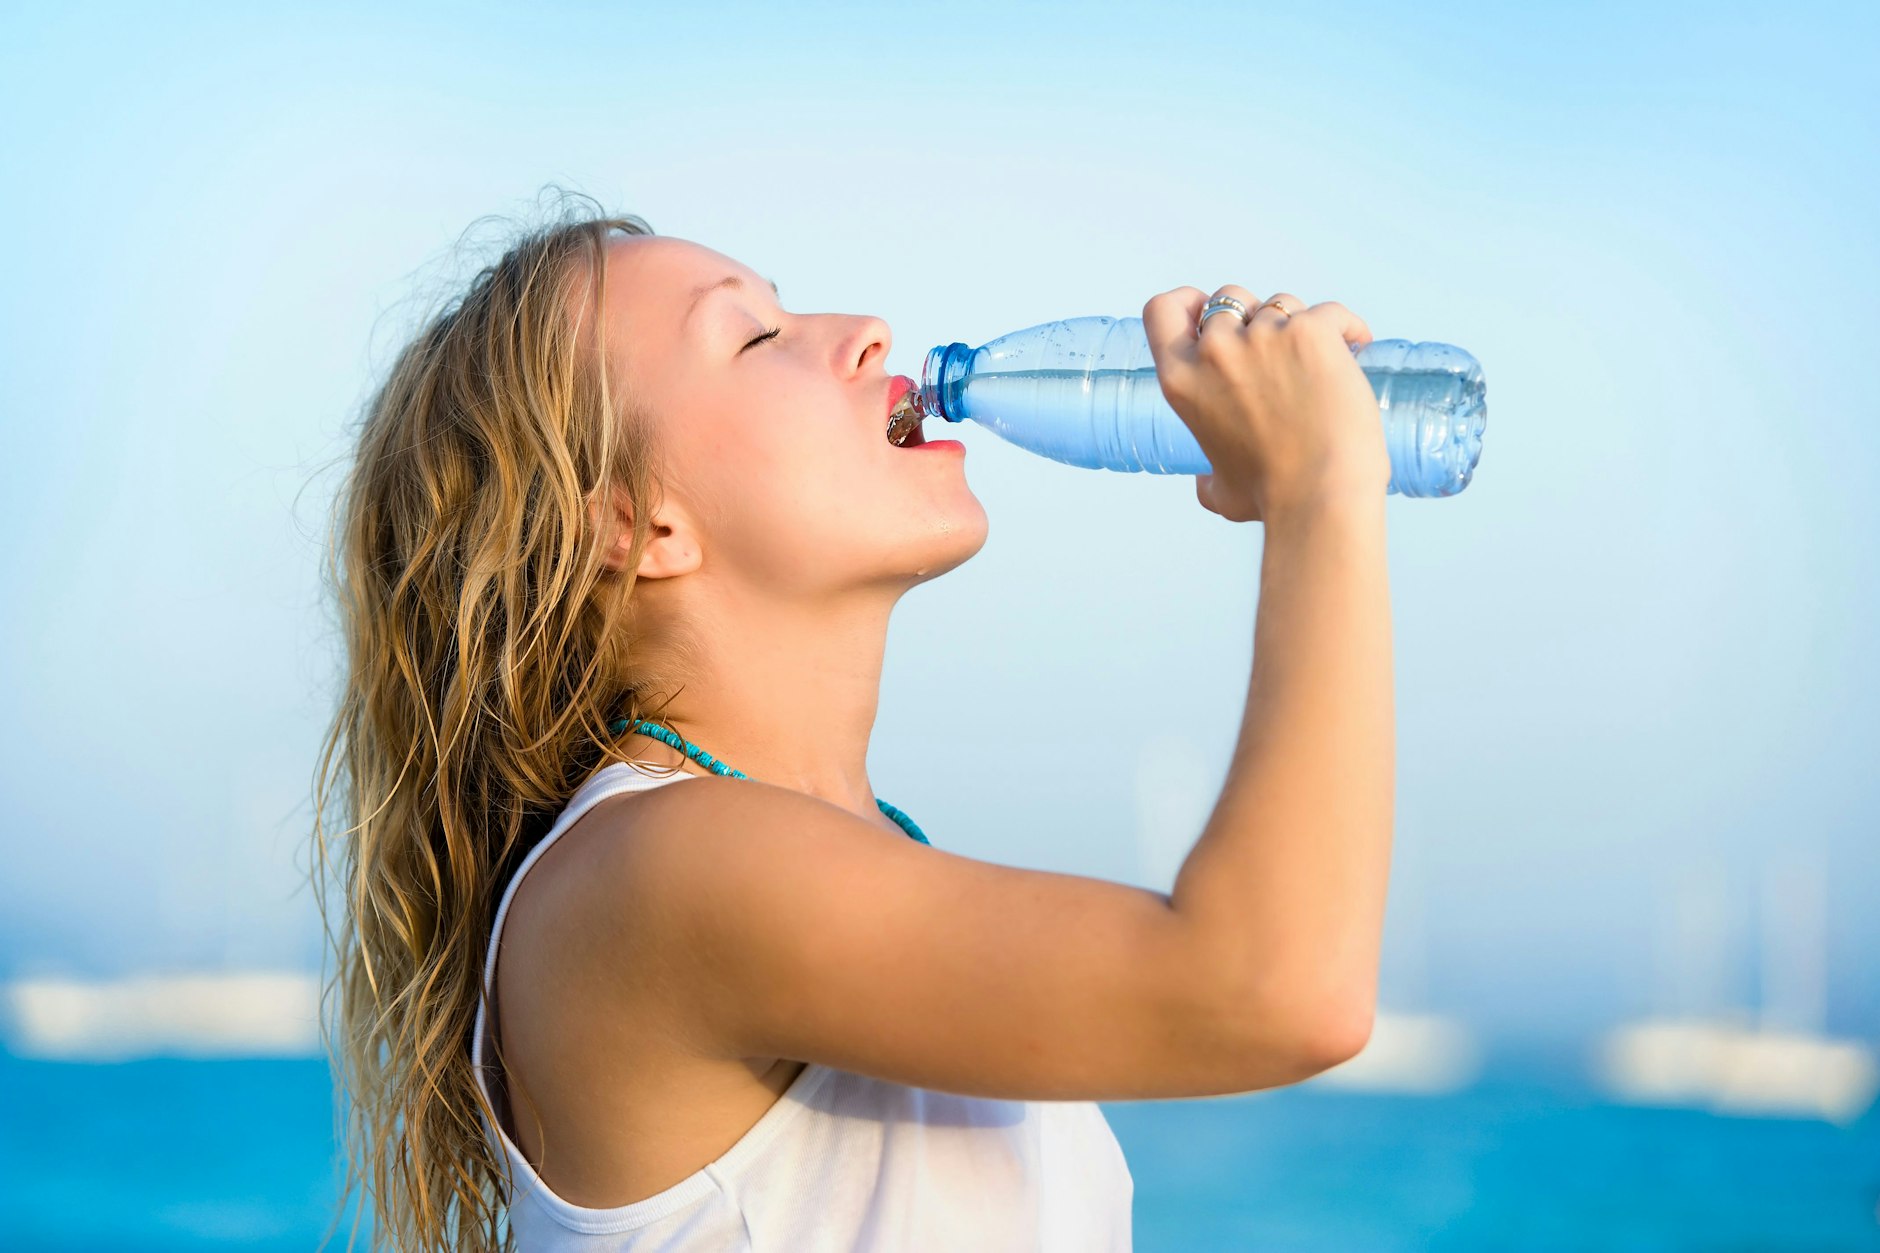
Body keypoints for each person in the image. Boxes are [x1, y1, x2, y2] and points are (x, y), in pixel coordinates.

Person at [309, 195, 1395, 1252]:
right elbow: (1274, 985)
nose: (867, 331)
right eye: (756, 335)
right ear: (636, 522)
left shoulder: (829, 857)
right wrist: (1319, 487)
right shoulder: (658, 868)